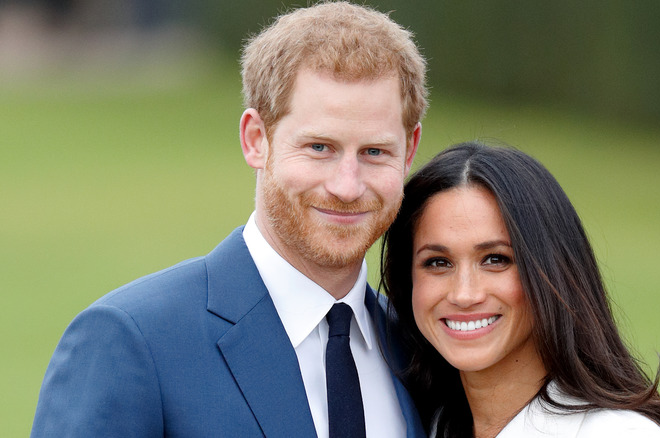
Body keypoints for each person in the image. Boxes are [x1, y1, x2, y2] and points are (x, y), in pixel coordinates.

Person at [31, 2, 427, 437]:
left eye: (375, 152)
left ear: (408, 152)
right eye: (319, 147)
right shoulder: (132, 341)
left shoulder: (422, 348)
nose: (347, 186)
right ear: (256, 140)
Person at [381, 142, 660, 438]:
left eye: (496, 259)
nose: (464, 294)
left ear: (551, 271)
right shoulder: (415, 422)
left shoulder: (618, 433)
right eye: (437, 263)